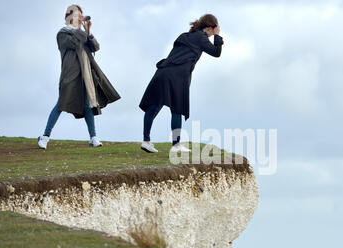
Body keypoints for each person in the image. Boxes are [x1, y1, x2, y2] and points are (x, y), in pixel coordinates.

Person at [38, 4, 120, 149]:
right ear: (69, 17)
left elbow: (95, 47)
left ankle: (93, 137)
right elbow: (75, 43)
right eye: (77, 15)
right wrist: (81, 30)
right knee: (60, 104)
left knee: (88, 105)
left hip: (86, 75)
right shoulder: (63, 34)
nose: (79, 18)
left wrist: (88, 31)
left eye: (80, 16)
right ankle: (45, 136)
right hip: (69, 75)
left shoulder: (82, 33)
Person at [139, 14, 224, 153]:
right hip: (178, 76)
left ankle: (146, 141)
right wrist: (217, 36)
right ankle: (176, 144)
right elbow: (216, 52)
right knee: (177, 108)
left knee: (154, 106)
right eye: (213, 30)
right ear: (209, 28)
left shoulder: (185, 35)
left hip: (162, 72)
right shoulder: (201, 38)